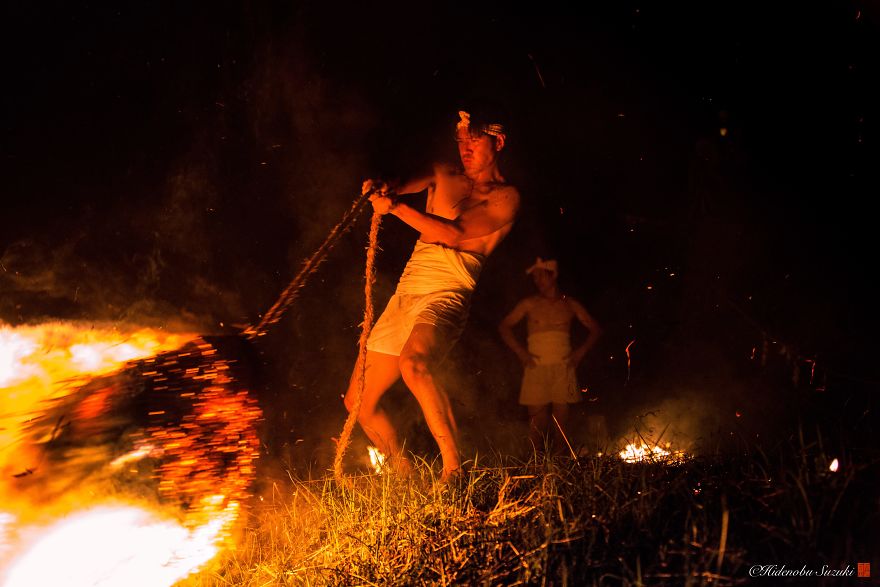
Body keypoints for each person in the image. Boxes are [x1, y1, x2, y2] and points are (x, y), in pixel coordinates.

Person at [343, 109, 520, 481]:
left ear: (498, 142)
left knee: (416, 365)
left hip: (448, 290)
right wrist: (384, 185)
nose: (465, 147)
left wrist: (396, 209)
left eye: (475, 139)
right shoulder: (445, 173)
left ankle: (455, 470)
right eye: (461, 140)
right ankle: (402, 470)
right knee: (358, 402)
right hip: (408, 291)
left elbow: (455, 234)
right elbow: (403, 182)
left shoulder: (506, 197)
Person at [498, 258, 601, 452]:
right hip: (535, 366)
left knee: (560, 419)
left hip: (563, 366)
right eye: (535, 278)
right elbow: (504, 326)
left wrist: (580, 352)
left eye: (541, 277)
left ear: (553, 275)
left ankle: (560, 461)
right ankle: (537, 462)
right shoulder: (529, 304)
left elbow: (595, 329)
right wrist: (522, 353)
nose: (537, 282)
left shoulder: (569, 304)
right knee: (537, 418)